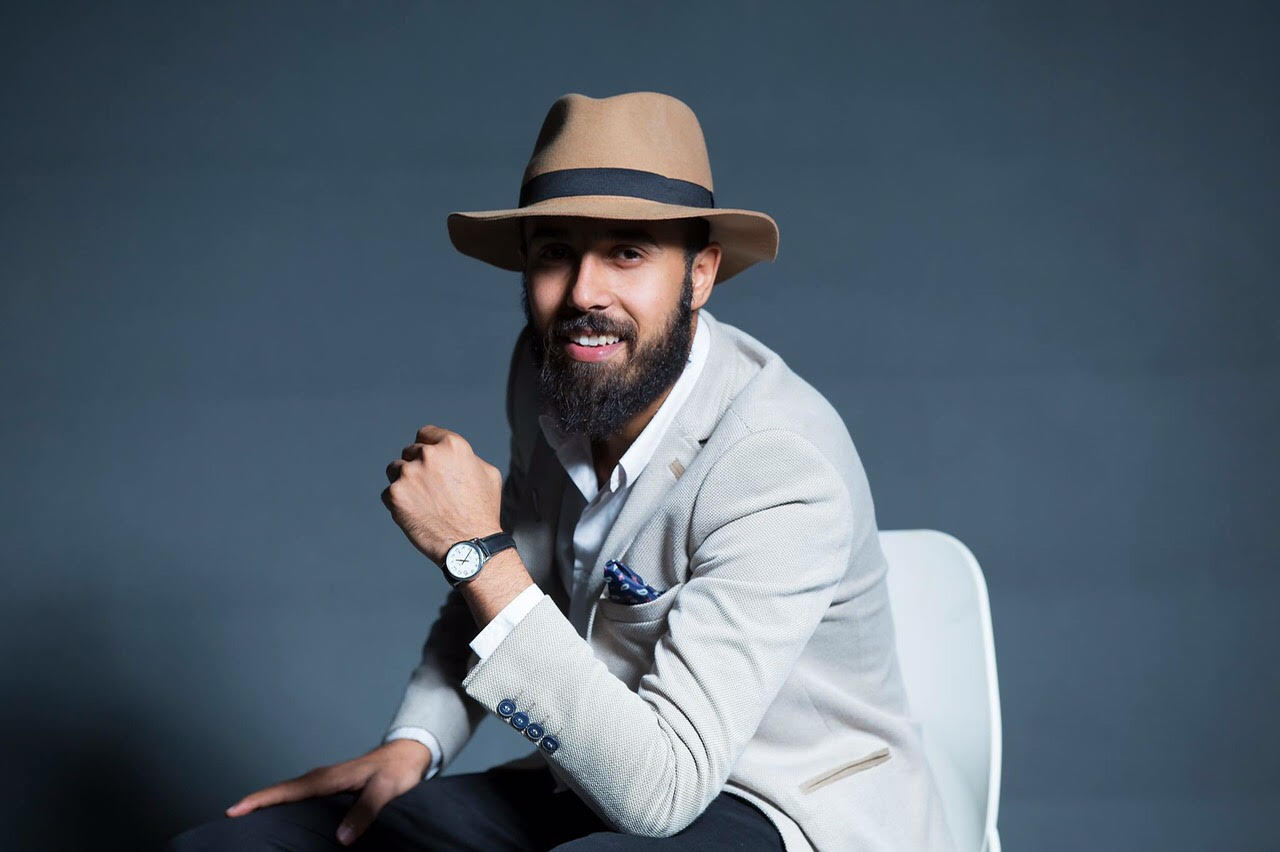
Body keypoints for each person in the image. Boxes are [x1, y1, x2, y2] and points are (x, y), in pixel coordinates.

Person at [167, 91, 958, 851]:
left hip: (784, 807)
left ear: (701, 274)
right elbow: (513, 583)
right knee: (240, 845)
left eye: (627, 252)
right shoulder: (551, 370)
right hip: (590, 775)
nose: (584, 292)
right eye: (556, 253)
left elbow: (663, 789)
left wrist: (472, 546)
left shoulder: (777, 462)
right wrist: (417, 740)